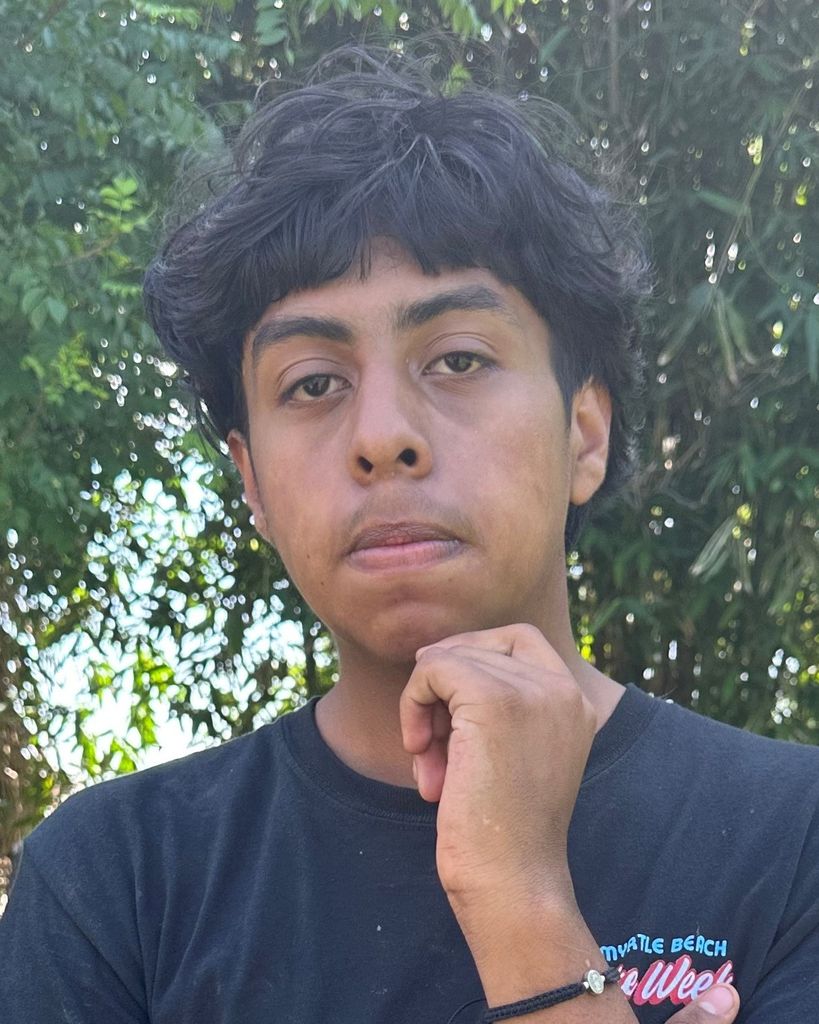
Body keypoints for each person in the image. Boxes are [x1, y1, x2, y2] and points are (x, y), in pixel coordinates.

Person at [1, 46, 817, 1024]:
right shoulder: (113, 885)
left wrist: (522, 896)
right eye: (313, 383)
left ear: (584, 434)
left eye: (458, 359)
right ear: (252, 481)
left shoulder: (792, 840)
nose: (382, 435)